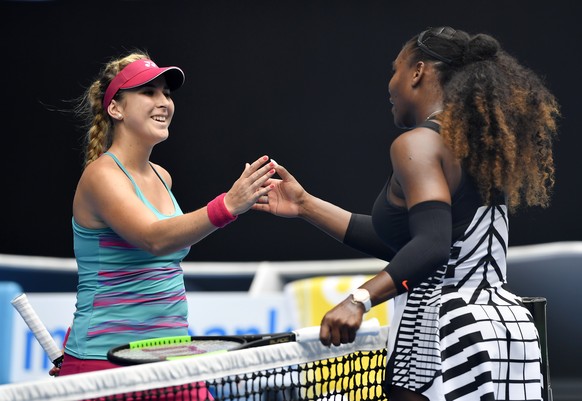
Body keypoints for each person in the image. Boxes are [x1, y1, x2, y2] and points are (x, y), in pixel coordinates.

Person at [254, 26, 559, 401]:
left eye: (394, 69)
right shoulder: (477, 146)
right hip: (510, 335)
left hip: (443, 332)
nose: (389, 84)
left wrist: (359, 300)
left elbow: (431, 247)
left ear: (417, 71)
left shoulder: (416, 144)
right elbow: (414, 242)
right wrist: (305, 205)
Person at [54, 51, 276, 395]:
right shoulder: (100, 176)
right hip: (106, 367)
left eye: (166, 94)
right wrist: (228, 205)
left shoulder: (163, 177)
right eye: (148, 92)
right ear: (116, 108)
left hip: (173, 360)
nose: (163, 103)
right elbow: (153, 239)